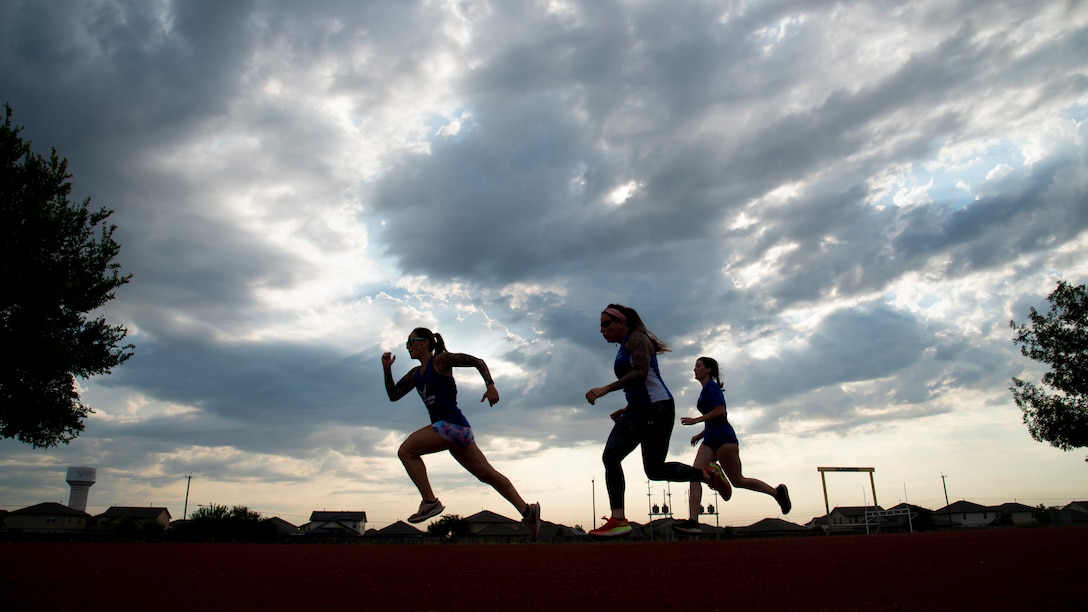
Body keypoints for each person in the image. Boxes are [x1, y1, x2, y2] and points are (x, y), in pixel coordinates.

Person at [584, 304, 732, 539]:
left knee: (650, 468)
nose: (602, 330)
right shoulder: (624, 346)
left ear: (622, 323)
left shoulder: (637, 338)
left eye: (606, 324)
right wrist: (627, 407)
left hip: (657, 409)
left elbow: (642, 374)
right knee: (616, 458)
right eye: (600, 325)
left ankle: (708, 476)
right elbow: (642, 384)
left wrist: (606, 389)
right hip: (639, 409)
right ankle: (619, 519)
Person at [382, 327, 541, 540]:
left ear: (425, 343)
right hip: (459, 431)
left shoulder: (441, 361)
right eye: (407, 344)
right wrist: (386, 369)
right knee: (487, 474)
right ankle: (527, 511)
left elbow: (478, 361)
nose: (408, 347)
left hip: (449, 426)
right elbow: (393, 395)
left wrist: (491, 386)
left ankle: (430, 501)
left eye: (410, 342)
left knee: (406, 451)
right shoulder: (415, 375)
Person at [673, 356, 791, 535]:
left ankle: (777, 492)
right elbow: (714, 417)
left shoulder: (711, 387)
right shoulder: (706, 389)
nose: (694, 369)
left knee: (738, 480)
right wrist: (700, 434)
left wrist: (696, 420)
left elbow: (720, 412)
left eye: (698, 366)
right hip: (710, 438)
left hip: (724, 439)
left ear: (708, 370)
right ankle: (693, 521)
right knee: (695, 475)